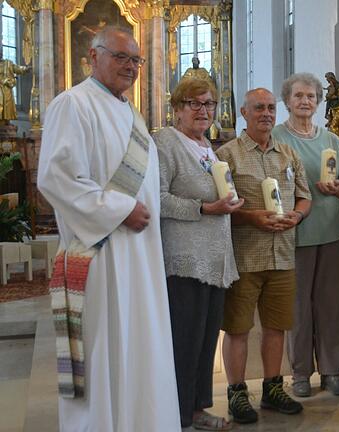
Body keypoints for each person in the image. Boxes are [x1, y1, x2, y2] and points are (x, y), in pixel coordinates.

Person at [37, 26, 180, 431]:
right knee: (105, 352)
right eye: (121, 57)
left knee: (140, 348)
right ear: (93, 56)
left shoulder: (130, 114)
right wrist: (119, 210)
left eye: (136, 60)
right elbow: (57, 177)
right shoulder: (73, 105)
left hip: (141, 256)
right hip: (102, 256)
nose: (131, 67)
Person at [216, 88, 311, 423]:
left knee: (276, 326)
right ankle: (237, 393)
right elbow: (222, 207)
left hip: (282, 255)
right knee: (238, 328)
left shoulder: (287, 153)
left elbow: (304, 197)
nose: (266, 114)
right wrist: (252, 217)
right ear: (244, 112)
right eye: (259, 108)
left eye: (271, 108)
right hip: (246, 256)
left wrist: (297, 216)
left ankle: (273, 389)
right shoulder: (227, 155)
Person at [155, 79, 243, 431]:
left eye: (209, 104)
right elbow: (158, 198)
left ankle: (197, 409)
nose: (204, 111)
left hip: (215, 258)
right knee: (185, 342)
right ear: (177, 108)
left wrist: (230, 202)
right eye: (195, 104)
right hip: (185, 259)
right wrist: (205, 208)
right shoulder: (165, 143)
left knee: (206, 341)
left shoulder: (207, 145)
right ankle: (176, 415)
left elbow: (218, 190)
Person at [272, 73, 339, 398]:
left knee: (331, 305)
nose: (305, 101)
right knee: (298, 306)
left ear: (319, 102)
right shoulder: (277, 137)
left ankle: (333, 370)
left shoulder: (330, 139)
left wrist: (338, 188)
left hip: (330, 230)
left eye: (311, 96)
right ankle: (301, 372)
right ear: (287, 100)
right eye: (299, 96)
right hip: (295, 232)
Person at [0, 52, 29, 121]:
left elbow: (16, 68)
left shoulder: (8, 63)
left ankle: (6, 121)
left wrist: (25, 69)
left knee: (7, 106)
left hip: (7, 87)